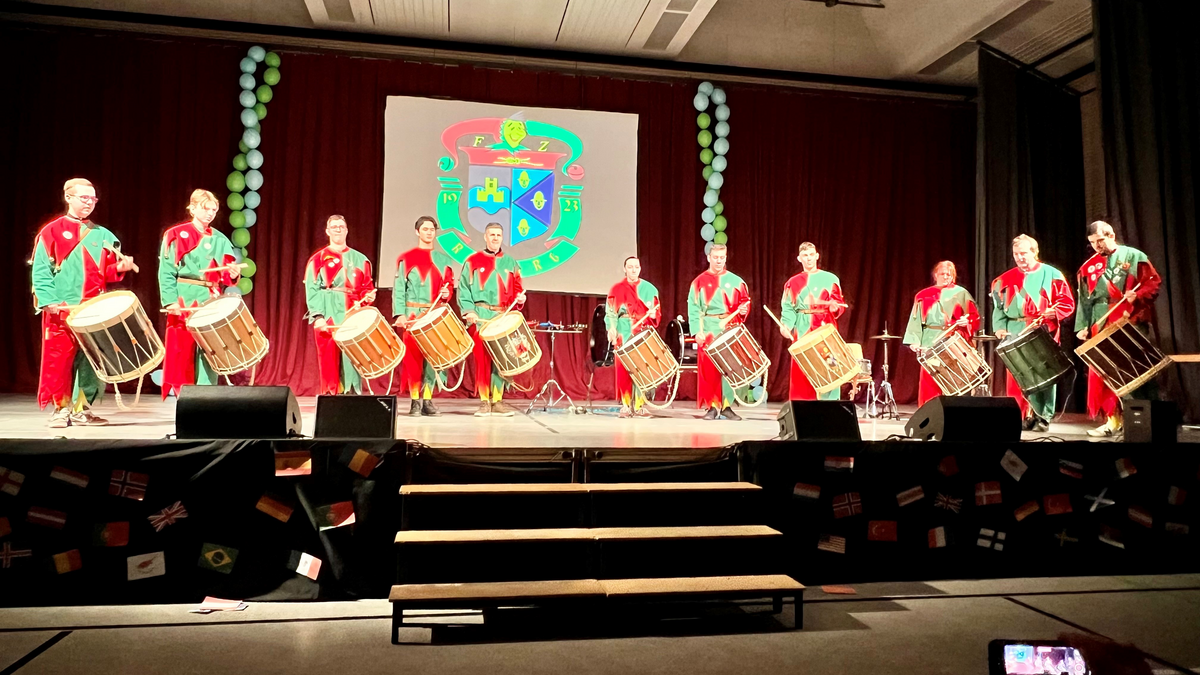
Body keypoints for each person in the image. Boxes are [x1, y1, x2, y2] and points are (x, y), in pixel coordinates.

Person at [31, 178, 136, 427]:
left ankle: (81, 409)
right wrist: (49, 300)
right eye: (84, 198)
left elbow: (105, 272)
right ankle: (61, 409)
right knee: (59, 361)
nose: (89, 203)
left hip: (93, 310)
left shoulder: (103, 235)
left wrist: (119, 268)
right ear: (68, 197)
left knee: (92, 362)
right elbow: (41, 270)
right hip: (62, 308)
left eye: (93, 199)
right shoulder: (51, 231)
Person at [1074, 220, 1161, 437]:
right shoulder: (1088, 268)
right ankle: (1112, 421)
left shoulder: (1134, 256)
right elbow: (1084, 300)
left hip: (1127, 320)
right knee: (1104, 373)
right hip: (1100, 322)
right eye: (1092, 243)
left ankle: (1140, 423)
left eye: (1100, 240)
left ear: (1111, 235)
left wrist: (1137, 295)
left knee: (1132, 372)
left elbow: (1153, 283)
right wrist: (1082, 326)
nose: (1097, 246)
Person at [158, 189, 241, 397]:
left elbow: (226, 274)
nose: (210, 213)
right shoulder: (175, 234)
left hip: (210, 298)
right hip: (184, 296)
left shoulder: (220, 239)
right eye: (206, 209)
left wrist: (232, 273)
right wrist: (170, 301)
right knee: (182, 350)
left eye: (214, 210)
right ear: (193, 208)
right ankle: (185, 396)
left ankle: (206, 396)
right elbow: (166, 271)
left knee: (209, 349)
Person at [990, 234, 1075, 432]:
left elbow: (1066, 302)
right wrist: (1000, 327)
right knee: (1018, 375)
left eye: (1024, 253)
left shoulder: (1052, 274)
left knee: (1043, 374)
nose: (1020, 257)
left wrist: (1054, 312)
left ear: (1035, 252)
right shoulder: (1003, 280)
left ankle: (1043, 417)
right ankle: (1021, 416)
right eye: (1016, 254)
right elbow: (998, 308)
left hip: (1042, 330)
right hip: (1015, 330)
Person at [458, 222, 526, 417]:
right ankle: (484, 401)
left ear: (502, 238)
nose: (495, 238)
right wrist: (469, 311)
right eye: (492, 234)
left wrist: (520, 299)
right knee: (482, 360)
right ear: (485, 237)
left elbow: (518, 289)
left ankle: (497, 401)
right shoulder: (472, 261)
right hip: (481, 316)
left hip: (502, 316)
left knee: (502, 359)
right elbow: (463, 289)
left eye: (498, 235)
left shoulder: (511, 263)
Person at [304, 215, 377, 396]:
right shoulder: (318, 259)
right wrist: (318, 316)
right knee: (328, 359)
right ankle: (330, 398)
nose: (338, 229)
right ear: (327, 231)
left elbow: (367, 289)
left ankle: (351, 397)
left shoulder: (361, 259)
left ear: (347, 230)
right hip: (327, 314)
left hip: (352, 314)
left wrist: (368, 296)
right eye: (334, 227)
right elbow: (311, 290)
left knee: (353, 358)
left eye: (341, 226)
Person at [393, 215, 454, 416]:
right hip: (413, 315)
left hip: (435, 315)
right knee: (413, 359)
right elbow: (399, 288)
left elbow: (449, 286)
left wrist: (447, 293)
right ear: (417, 232)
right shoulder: (406, 258)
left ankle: (427, 399)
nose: (429, 232)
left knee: (433, 359)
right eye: (425, 229)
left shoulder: (444, 260)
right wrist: (400, 314)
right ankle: (414, 401)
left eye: (432, 229)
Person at [687, 243, 751, 420]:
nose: (719, 261)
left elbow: (745, 302)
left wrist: (744, 310)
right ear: (709, 258)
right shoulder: (698, 282)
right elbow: (694, 309)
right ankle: (712, 406)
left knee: (729, 367)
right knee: (710, 369)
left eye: (722, 257)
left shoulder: (736, 281)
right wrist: (697, 331)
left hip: (729, 328)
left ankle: (727, 405)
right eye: (715, 257)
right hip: (708, 327)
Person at [902, 260, 981, 405]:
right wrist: (914, 341)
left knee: (957, 380)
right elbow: (915, 320)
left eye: (949, 274)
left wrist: (967, 322)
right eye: (942, 274)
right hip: (930, 341)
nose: (946, 277)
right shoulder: (923, 295)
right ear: (935, 275)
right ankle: (930, 413)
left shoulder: (961, 293)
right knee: (931, 381)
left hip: (954, 342)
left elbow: (974, 317)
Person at [779, 242, 846, 400]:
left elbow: (838, 302)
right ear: (799, 258)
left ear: (817, 256)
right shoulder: (792, 283)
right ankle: (802, 404)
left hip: (825, 327)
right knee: (802, 366)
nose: (809, 258)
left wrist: (835, 307)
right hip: (803, 327)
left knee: (831, 364)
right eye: (805, 255)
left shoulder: (831, 279)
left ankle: (830, 403)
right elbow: (788, 307)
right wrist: (786, 325)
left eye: (811, 255)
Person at [605, 256, 662, 418]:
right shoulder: (616, 289)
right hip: (624, 330)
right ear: (625, 269)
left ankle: (639, 405)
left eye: (636, 267)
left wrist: (653, 314)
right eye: (630, 267)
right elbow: (611, 313)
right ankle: (625, 405)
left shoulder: (650, 289)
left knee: (642, 368)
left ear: (640, 268)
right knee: (624, 368)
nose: (633, 270)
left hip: (642, 331)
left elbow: (656, 312)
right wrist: (612, 328)